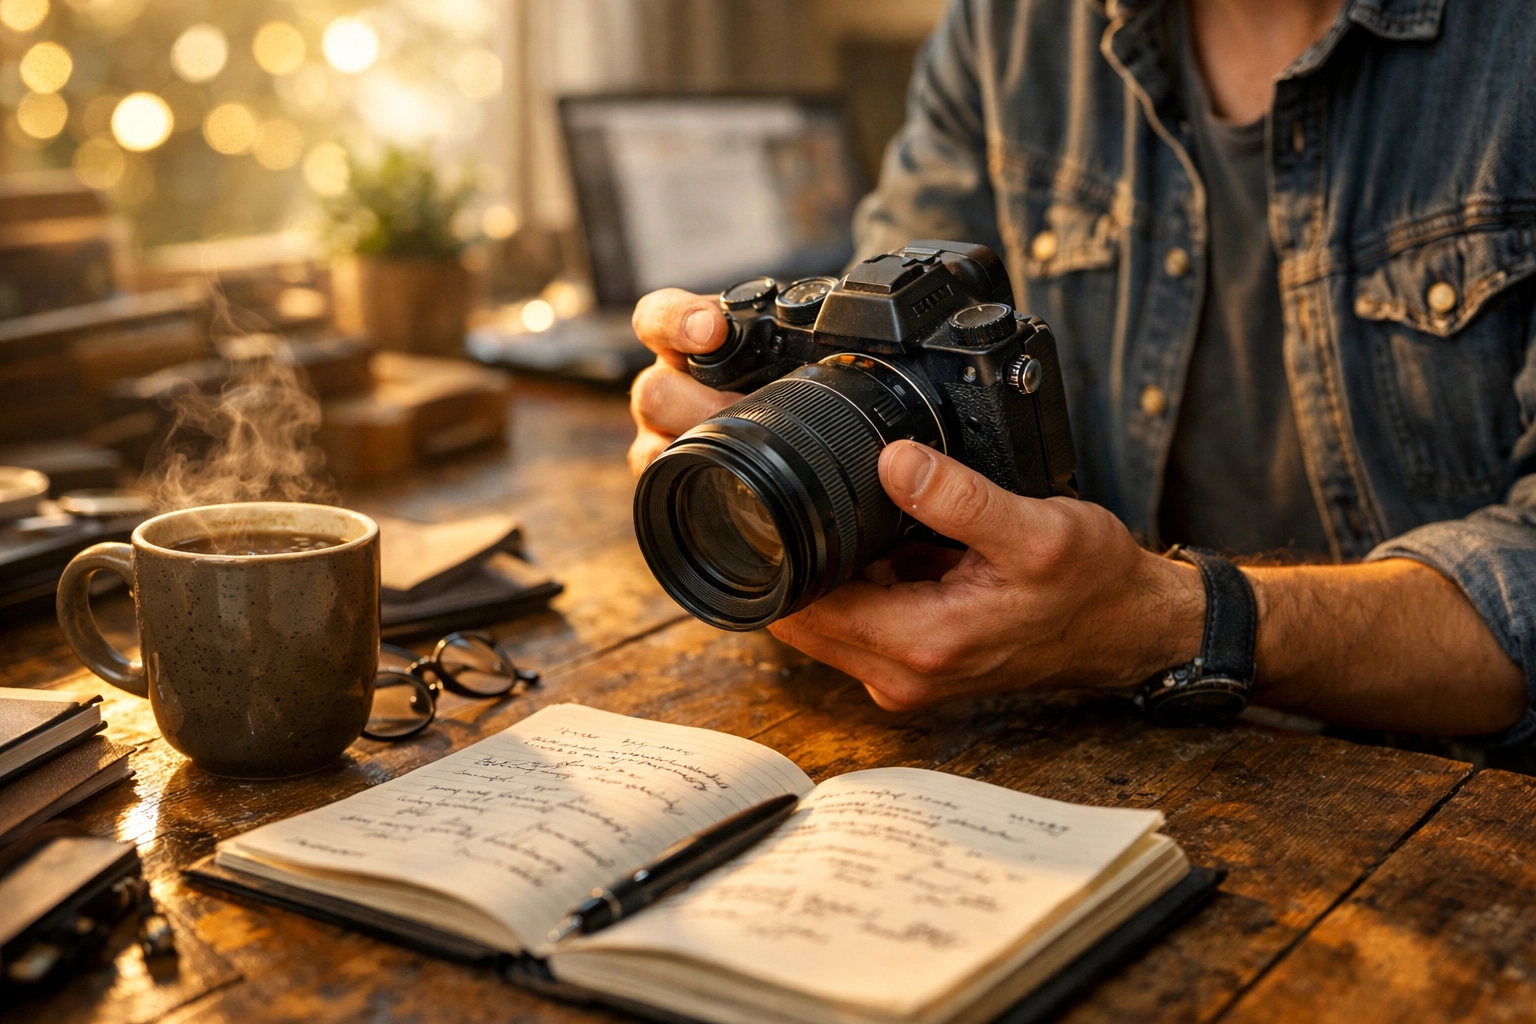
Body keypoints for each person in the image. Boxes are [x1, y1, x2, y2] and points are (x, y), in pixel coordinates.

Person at [625, 0, 1536, 744]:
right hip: (1074, 739)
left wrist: (1169, 622)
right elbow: (886, 334)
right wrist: (760, 420)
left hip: (1447, 791)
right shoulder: (1007, 29)